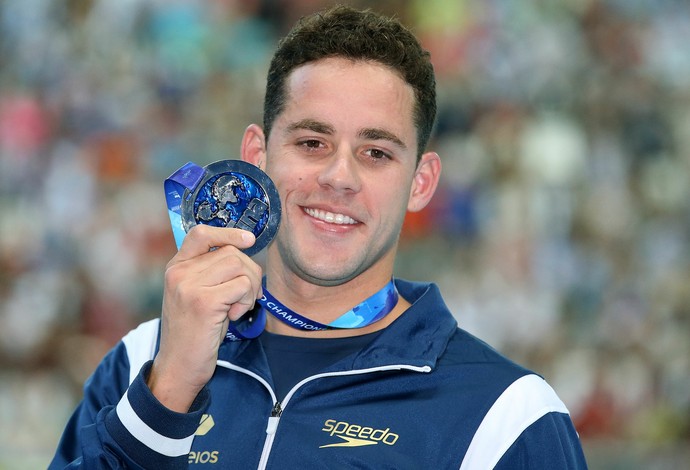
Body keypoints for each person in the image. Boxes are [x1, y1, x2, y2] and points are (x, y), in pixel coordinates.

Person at [50, 5, 588, 469]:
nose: (339, 177)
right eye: (312, 142)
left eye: (376, 153)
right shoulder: (142, 358)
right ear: (258, 155)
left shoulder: (507, 417)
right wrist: (164, 398)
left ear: (420, 183)